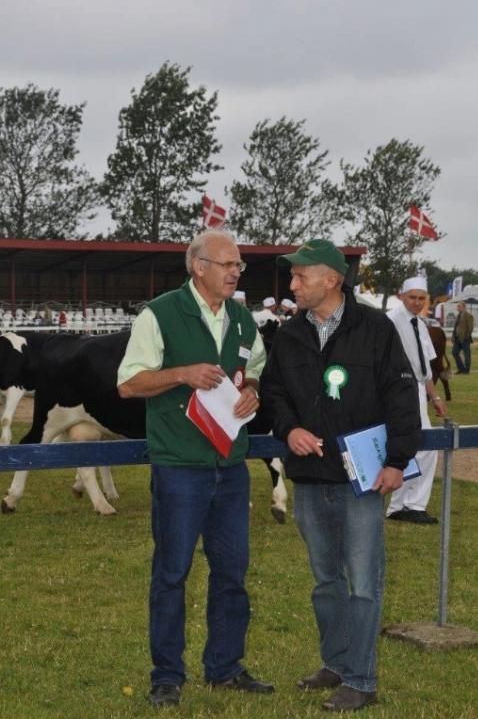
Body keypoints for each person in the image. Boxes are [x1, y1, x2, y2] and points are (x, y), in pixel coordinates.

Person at [261, 238, 420, 713]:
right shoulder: (289, 334)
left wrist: (396, 460)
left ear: (331, 279)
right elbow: (273, 392)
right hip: (310, 477)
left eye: (299, 277)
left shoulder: (375, 328)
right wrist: (289, 430)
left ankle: (362, 678)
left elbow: (400, 395)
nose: (292, 285)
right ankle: (335, 661)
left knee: (364, 583)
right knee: (325, 580)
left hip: (363, 480)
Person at [117, 230, 273, 707]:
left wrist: (253, 394)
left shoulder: (245, 321)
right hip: (180, 466)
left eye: (239, 266)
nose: (235, 272)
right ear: (197, 266)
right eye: (227, 264)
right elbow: (128, 383)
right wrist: (181, 374)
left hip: (230, 467)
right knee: (172, 572)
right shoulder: (160, 314)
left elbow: (257, 370)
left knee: (232, 571)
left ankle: (224, 667)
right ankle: (167, 674)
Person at [386, 277, 447, 524]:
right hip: (400, 389)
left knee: (420, 447)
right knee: (423, 446)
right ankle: (410, 504)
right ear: (402, 296)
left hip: (418, 389)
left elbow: (426, 368)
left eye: (422, 298)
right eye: (413, 297)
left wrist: (436, 397)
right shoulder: (390, 321)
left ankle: (403, 505)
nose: (417, 302)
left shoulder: (420, 324)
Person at [452, 301, 474, 374]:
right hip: (457, 338)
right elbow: (455, 327)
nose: (457, 308)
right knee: (454, 352)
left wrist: (465, 336)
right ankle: (461, 369)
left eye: (459, 306)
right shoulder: (458, 315)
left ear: (464, 307)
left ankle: (466, 370)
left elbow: (470, 328)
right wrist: (453, 336)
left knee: (467, 355)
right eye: (457, 306)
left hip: (465, 339)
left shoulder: (469, 316)